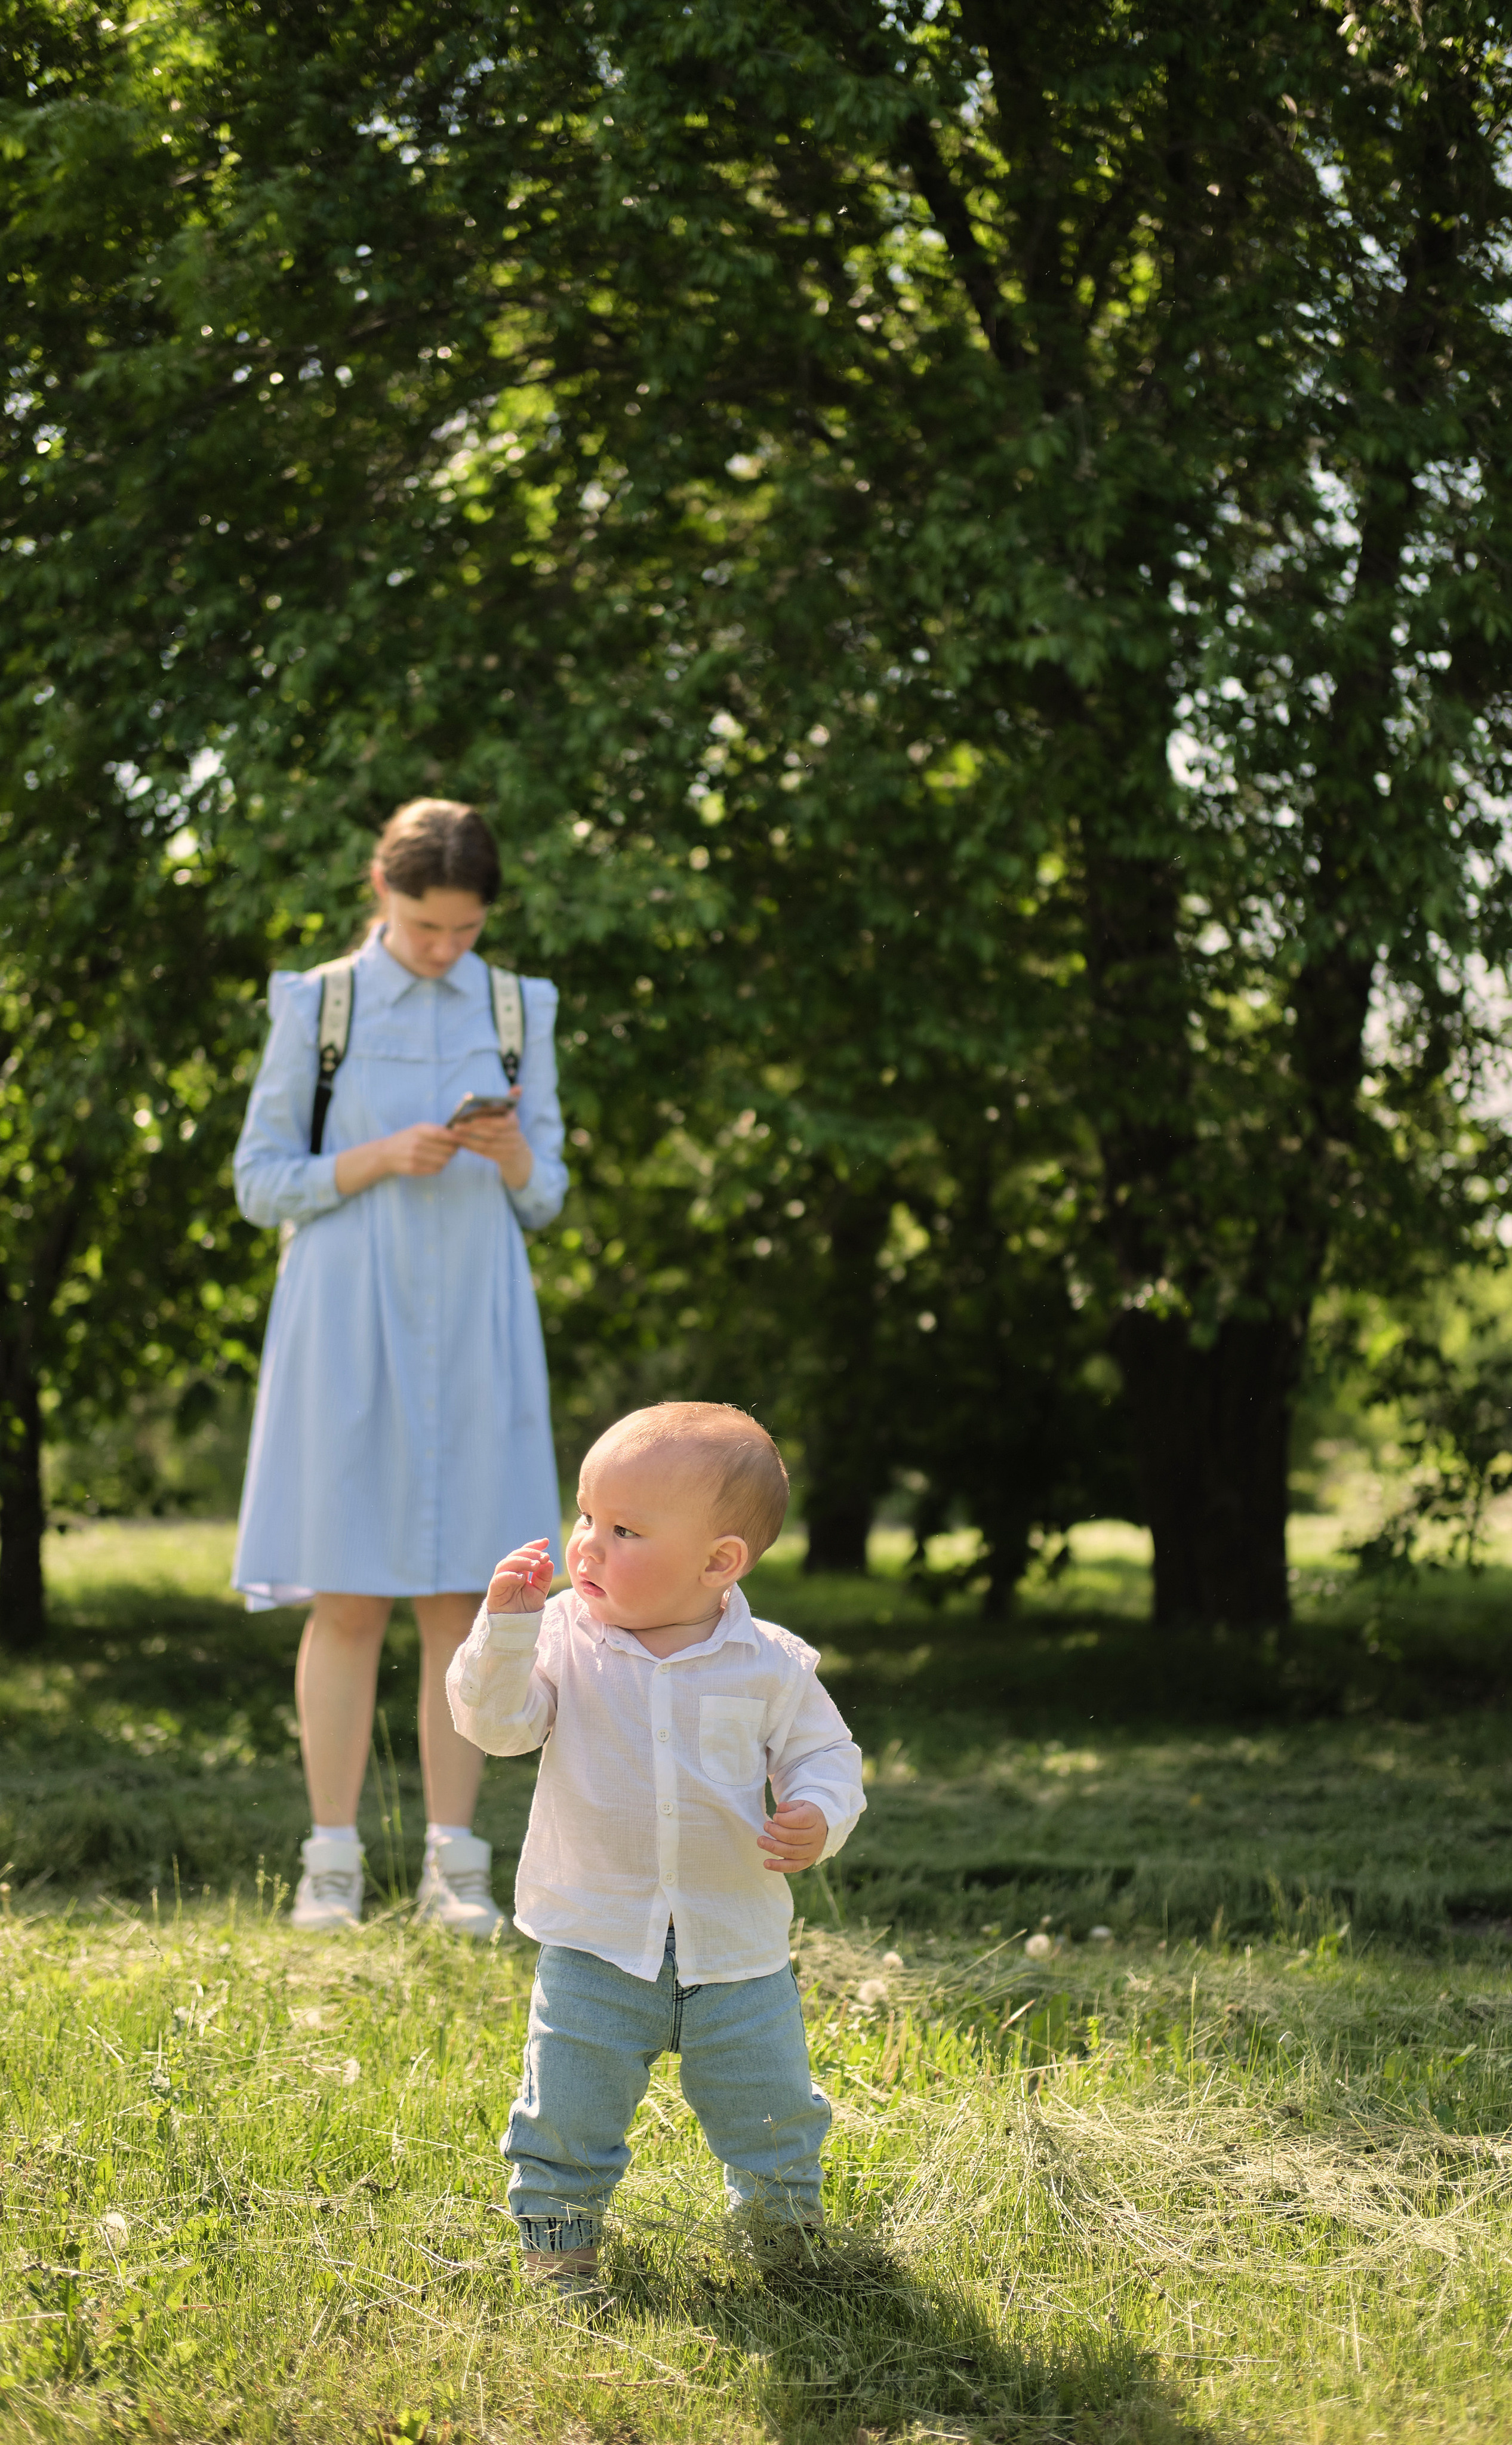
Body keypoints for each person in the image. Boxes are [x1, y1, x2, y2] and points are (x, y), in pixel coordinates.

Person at [232, 797, 567, 1937]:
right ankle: (330, 1861)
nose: (443, 949)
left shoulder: (523, 1008)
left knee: (463, 1602)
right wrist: (375, 1157)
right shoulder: (315, 1004)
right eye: (426, 925)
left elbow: (550, 1194)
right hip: (343, 1320)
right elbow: (259, 1178)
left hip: (476, 1320)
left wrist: (515, 1151)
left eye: (464, 931)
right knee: (347, 1598)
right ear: (383, 891)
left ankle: (453, 1867)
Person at [445, 1400, 866, 2293]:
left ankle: (783, 2235)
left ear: (720, 1563)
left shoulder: (771, 1663)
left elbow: (826, 1756)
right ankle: (559, 2244)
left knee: (772, 2110)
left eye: (624, 1529)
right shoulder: (560, 1637)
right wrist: (506, 1631)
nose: (587, 1546)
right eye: (585, 1517)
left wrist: (818, 1812)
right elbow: (497, 1726)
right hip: (596, 1938)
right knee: (566, 2107)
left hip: (735, 1946)